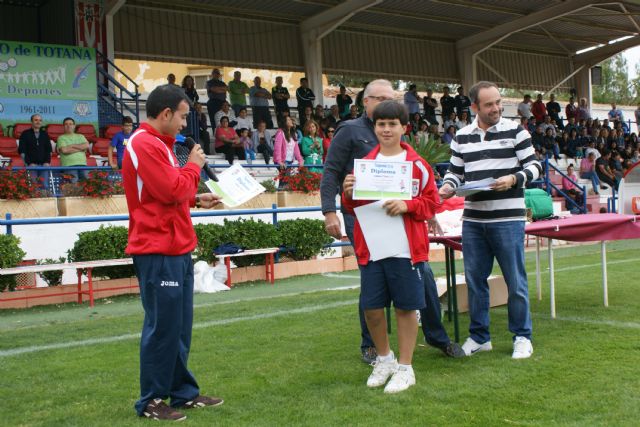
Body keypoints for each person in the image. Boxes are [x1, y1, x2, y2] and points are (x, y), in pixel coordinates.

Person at [321, 79, 464, 365]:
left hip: (403, 218)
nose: (384, 106)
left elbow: (417, 185)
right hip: (362, 217)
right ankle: (372, 346)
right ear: (365, 101)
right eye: (377, 98)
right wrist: (330, 211)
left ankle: (437, 337)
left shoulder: (398, 135)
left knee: (421, 275)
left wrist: (428, 214)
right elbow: (331, 172)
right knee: (372, 281)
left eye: (389, 99)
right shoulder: (349, 130)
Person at [121, 84, 223, 421]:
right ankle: (151, 400)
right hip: (157, 249)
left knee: (178, 326)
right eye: (181, 117)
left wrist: (196, 198)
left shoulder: (159, 145)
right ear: (165, 114)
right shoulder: (143, 143)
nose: (184, 124)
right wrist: (193, 167)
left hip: (176, 246)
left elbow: (166, 192)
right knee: (162, 326)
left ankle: (182, 394)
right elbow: (169, 190)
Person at [342, 100, 440, 394]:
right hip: (372, 248)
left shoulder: (418, 166)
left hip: (404, 249)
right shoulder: (365, 166)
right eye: (381, 124)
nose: (386, 129)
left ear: (404, 128)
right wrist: (347, 194)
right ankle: (385, 359)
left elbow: (432, 203)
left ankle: (406, 368)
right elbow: (352, 207)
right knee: (371, 308)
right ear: (375, 128)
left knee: (406, 308)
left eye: (392, 124)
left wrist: (408, 204)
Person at [439, 80, 542, 360]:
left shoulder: (515, 131)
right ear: (474, 107)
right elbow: (455, 173)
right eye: (489, 104)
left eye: (498, 102)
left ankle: (522, 336)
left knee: (515, 281)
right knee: (475, 281)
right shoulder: (461, 136)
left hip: (508, 218)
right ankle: (480, 337)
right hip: (473, 220)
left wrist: (513, 178)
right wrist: (447, 187)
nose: (496, 108)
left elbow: (534, 166)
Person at [18, 114, 52, 189]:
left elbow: (49, 150)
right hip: (31, 166)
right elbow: (22, 151)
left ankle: (46, 200)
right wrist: (29, 163)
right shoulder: (25, 134)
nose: (38, 122)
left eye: (40, 120)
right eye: (36, 120)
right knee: (34, 187)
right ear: (31, 122)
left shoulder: (45, 134)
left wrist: (47, 162)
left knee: (45, 186)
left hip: (44, 166)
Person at [56, 117, 89, 183]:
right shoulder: (61, 138)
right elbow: (65, 150)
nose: (68, 126)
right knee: (73, 185)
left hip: (82, 164)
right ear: (63, 126)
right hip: (68, 165)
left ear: (74, 126)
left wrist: (72, 146)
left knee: (87, 183)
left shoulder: (81, 136)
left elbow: (86, 146)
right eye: (66, 124)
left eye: (70, 124)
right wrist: (80, 149)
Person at [205, 68, 227, 133]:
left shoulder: (222, 83)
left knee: (223, 119)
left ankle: (224, 133)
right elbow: (214, 89)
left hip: (223, 103)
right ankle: (216, 134)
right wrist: (221, 89)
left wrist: (217, 89)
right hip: (213, 103)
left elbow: (226, 89)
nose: (217, 74)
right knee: (214, 120)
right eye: (215, 73)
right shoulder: (209, 82)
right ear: (212, 74)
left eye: (218, 73)